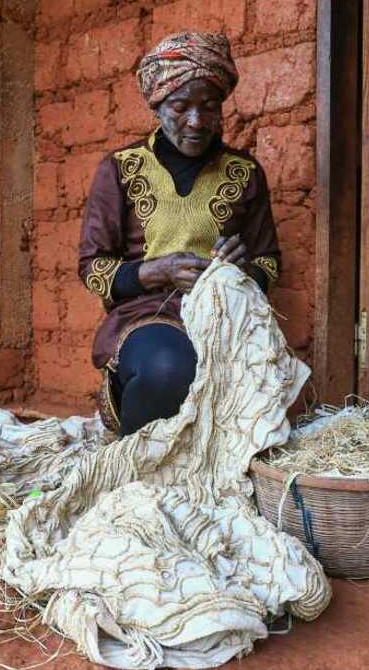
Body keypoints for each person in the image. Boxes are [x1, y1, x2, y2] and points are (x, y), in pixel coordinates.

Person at [78, 32, 282, 436]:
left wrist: (241, 274)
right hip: (149, 314)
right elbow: (93, 267)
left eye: (209, 107)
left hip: (226, 319)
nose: (196, 121)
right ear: (157, 105)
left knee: (265, 392)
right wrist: (159, 271)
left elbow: (269, 262)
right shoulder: (121, 168)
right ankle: (133, 466)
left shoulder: (244, 172)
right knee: (170, 371)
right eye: (180, 106)